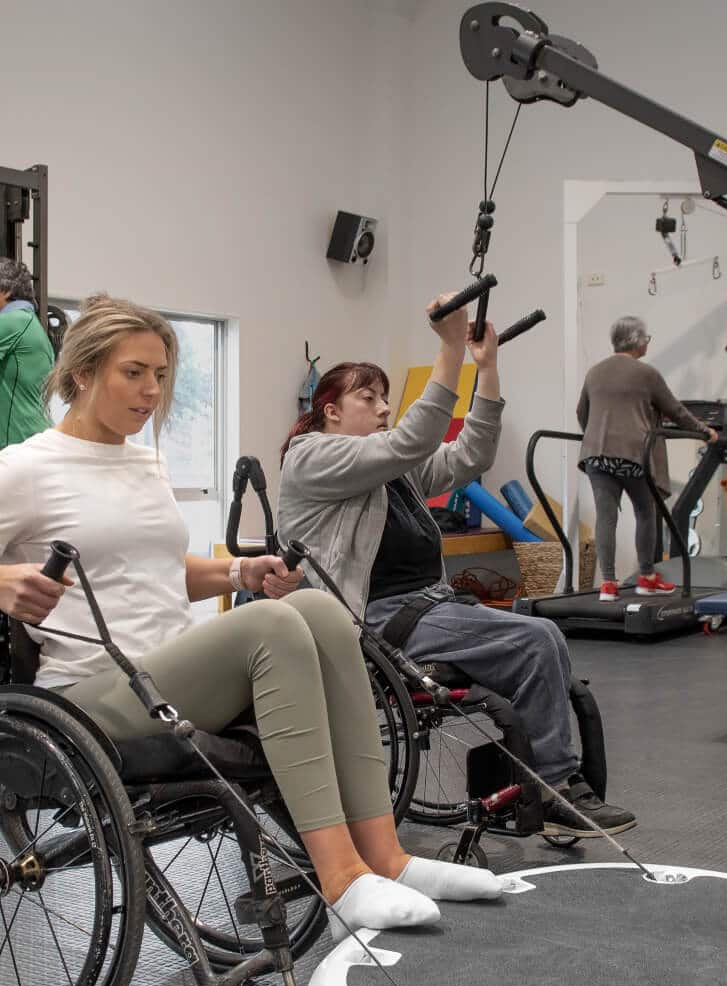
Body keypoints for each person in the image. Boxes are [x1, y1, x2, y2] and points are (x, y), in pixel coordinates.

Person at [0, 294, 502, 945]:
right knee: (272, 627)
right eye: (134, 372)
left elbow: (156, 569)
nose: (152, 390)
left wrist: (240, 573)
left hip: (165, 672)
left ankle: (387, 857)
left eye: (161, 375)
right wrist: (5, 581)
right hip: (87, 695)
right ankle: (341, 878)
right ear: (82, 373)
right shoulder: (26, 468)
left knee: (318, 608)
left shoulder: (144, 461)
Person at [277, 295, 636, 837]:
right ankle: (552, 787)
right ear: (331, 411)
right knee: (536, 641)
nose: (383, 408)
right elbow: (415, 438)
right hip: (373, 622)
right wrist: (449, 348)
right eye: (368, 398)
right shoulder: (311, 455)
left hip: (431, 606)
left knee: (543, 637)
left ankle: (545, 778)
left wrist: (486, 368)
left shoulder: (393, 471)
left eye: (386, 398)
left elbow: (471, 456)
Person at [577, 316, 718, 601]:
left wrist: (597, 439)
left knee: (606, 517)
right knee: (645, 511)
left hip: (596, 456)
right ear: (637, 341)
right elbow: (676, 411)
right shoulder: (647, 374)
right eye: (647, 339)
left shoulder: (594, 372)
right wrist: (705, 432)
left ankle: (608, 584)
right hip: (633, 455)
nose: (647, 344)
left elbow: (582, 413)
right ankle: (647, 577)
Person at [0, 259, 53, 449]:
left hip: (17, 444)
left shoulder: (13, 321)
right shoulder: (30, 323)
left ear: (6, 291)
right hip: (31, 439)